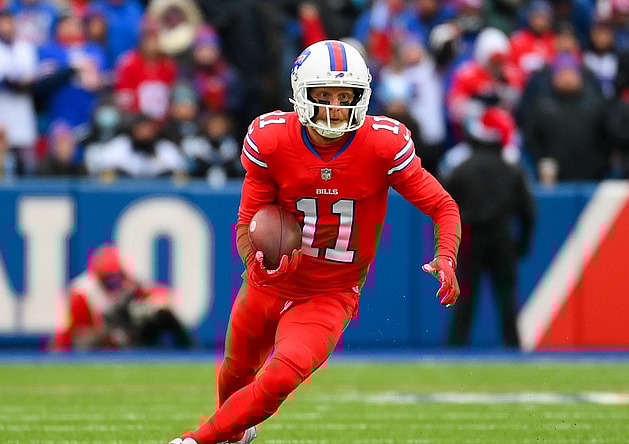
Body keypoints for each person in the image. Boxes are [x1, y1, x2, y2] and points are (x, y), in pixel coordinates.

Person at [169, 39, 461, 444]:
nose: (335, 108)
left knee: (281, 375)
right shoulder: (271, 140)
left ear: (363, 97)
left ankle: (196, 440)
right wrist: (258, 264)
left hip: (330, 290)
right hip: (269, 283)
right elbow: (247, 221)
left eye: (346, 96)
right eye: (324, 96)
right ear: (301, 96)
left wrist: (446, 256)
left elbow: (443, 206)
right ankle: (232, 436)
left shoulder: (382, 144)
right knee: (236, 370)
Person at [440, 107, 535, 349]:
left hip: (470, 237)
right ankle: (513, 347)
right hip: (501, 236)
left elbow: (442, 206)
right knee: (506, 296)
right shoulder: (511, 170)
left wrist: (448, 244)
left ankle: (455, 348)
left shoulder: (463, 168)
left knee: (465, 297)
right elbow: (528, 212)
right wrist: (522, 244)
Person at [51, 246, 193, 352]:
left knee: (161, 314)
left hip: (123, 333)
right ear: (97, 276)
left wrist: (157, 300)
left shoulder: (125, 281)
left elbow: (159, 292)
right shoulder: (81, 293)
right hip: (95, 341)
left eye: (116, 277)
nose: (114, 283)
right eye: (109, 279)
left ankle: (190, 353)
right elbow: (69, 331)